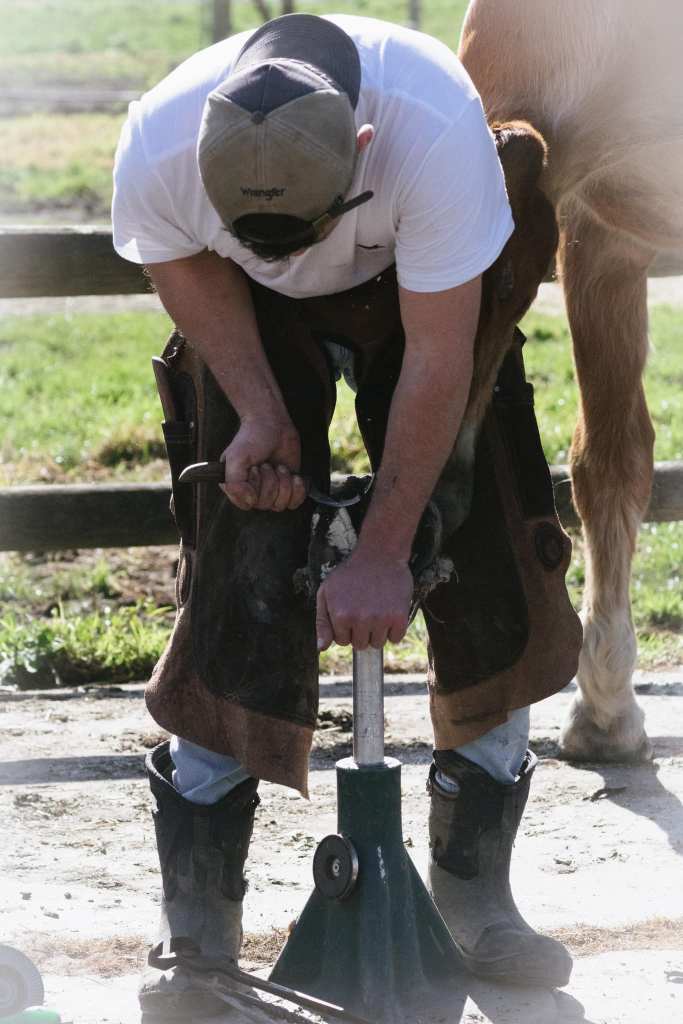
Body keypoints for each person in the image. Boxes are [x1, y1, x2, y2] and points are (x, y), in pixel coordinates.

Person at [112, 13, 580, 1018]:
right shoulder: (156, 140)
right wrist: (261, 415)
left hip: (422, 288)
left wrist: (381, 549)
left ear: (360, 147)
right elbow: (184, 266)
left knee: (480, 531)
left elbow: (436, 359)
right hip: (247, 303)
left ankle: (471, 891)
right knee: (240, 551)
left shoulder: (429, 131)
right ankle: (200, 910)